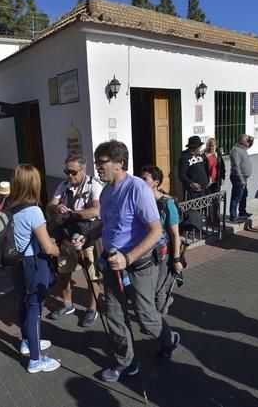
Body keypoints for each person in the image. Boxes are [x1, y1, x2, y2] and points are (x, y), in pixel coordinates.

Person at [74, 140, 180, 383]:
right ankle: (127, 362)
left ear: (120, 163)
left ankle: (169, 339)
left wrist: (129, 257)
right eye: (96, 162)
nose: (97, 168)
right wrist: (88, 236)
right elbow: (108, 223)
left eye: (102, 163)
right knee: (114, 314)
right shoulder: (107, 191)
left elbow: (155, 232)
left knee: (145, 315)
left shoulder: (138, 189)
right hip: (112, 263)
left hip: (138, 264)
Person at [10, 164, 61, 373]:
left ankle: (27, 341)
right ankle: (36, 359)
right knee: (35, 309)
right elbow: (48, 247)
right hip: (34, 263)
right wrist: (62, 249)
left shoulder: (11, 206)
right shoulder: (34, 211)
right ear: (34, 184)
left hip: (18, 263)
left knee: (24, 303)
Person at [46, 155, 103, 327]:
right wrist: (57, 207)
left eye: (73, 172)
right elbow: (49, 206)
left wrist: (73, 214)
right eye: (66, 172)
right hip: (67, 236)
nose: (69, 176)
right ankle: (67, 304)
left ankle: (92, 309)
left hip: (88, 235)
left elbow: (96, 210)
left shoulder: (94, 185)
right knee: (64, 272)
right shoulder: (63, 185)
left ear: (83, 170)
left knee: (92, 275)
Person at [141, 165, 184, 314]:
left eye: (145, 179)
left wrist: (176, 259)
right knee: (146, 289)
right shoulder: (140, 201)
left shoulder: (168, 203)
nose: (141, 181)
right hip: (144, 251)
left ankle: (160, 327)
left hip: (162, 253)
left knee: (158, 289)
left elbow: (175, 235)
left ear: (156, 182)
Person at [229, 134, 254, 222]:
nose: (248, 142)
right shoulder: (236, 150)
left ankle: (242, 212)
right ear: (241, 141)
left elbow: (249, 145)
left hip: (244, 178)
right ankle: (233, 216)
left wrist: (252, 140)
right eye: (247, 140)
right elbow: (236, 166)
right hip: (238, 177)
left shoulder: (242, 148)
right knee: (236, 197)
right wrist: (241, 179)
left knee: (243, 195)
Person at [178, 135, 209, 200]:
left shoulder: (199, 156)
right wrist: (191, 184)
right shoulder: (185, 158)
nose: (200, 147)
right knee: (194, 210)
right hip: (193, 193)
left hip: (204, 191)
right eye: (199, 146)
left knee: (206, 209)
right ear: (195, 147)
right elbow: (181, 175)